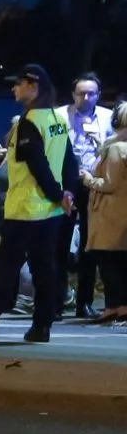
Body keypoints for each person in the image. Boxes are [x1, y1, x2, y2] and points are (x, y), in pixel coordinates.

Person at [0, 64, 80, 346]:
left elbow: (38, 166)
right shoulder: (56, 119)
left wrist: (56, 193)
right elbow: (69, 161)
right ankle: (41, 327)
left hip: (25, 210)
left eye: (18, 84)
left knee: (5, 271)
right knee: (44, 271)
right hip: (51, 213)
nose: (14, 89)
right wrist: (67, 194)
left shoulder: (29, 123)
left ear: (33, 87)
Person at [65, 73, 111, 318]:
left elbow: (115, 149)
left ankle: (84, 301)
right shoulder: (62, 115)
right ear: (73, 94)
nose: (86, 97)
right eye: (81, 93)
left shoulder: (107, 117)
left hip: (93, 183)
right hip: (67, 184)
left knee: (88, 245)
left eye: (91, 93)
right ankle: (57, 299)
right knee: (59, 243)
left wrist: (100, 142)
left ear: (98, 95)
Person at [86, 123, 127, 320]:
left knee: (106, 258)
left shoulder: (116, 149)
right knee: (119, 259)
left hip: (109, 212)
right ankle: (117, 305)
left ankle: (116, 305)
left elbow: (110, 183)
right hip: (122, 212)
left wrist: (88, 179)